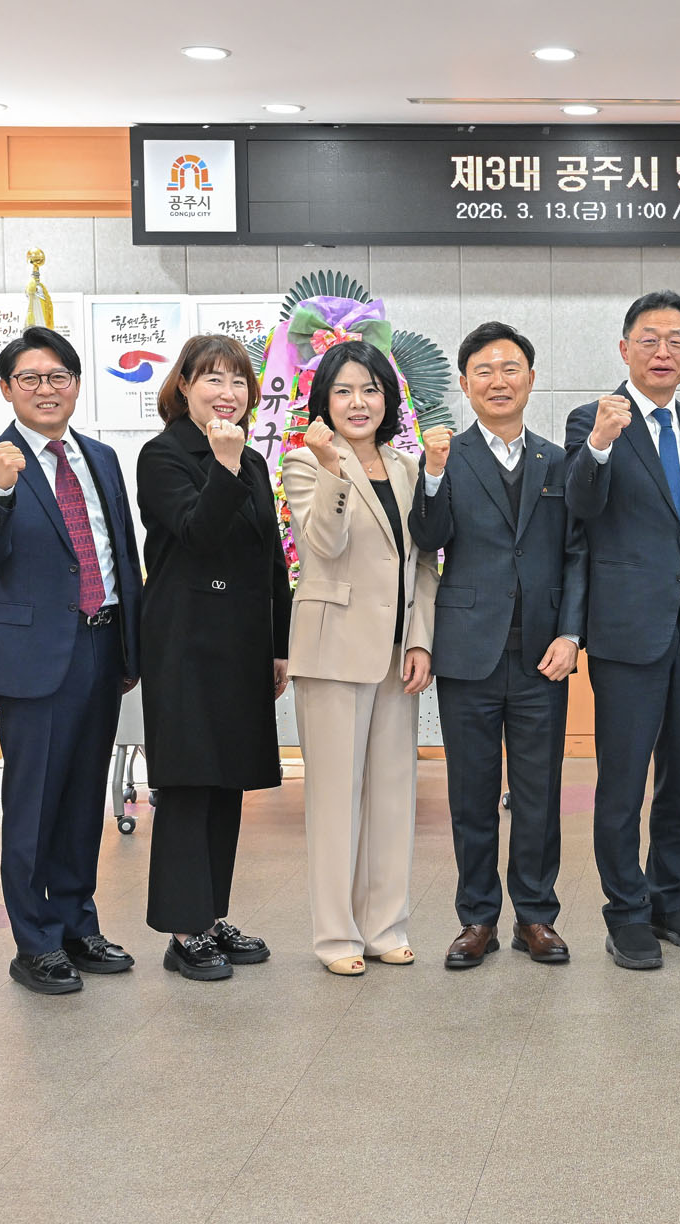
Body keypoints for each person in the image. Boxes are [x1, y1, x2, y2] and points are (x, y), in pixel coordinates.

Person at [0, 326, 145, 995]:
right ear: (8, 389)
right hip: (35, 658)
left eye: (58, 376)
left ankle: (76, 925)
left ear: (76, 385)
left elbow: (121, 551)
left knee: (83, 800)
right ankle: (34, 942)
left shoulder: (101, 457)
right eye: (30, 378)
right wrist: (1, 489)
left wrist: (133, 642)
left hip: (102, 643)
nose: (46, 389)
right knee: (34, 804)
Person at [564, 291, 680, 971]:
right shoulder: (593, 418)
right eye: (649, 339)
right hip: (626, 633)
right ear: (624, 349)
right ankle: (626, 913)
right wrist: (601, 444)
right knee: (623, 782)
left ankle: (669, 899)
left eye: (676, 341)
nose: (662, 352)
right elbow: (580, 508)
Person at [409, 322, 588, 971]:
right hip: (468, 652)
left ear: (531, 379)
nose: (498, 381)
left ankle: (536, 915)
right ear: (464, 384)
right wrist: (431, 473)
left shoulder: (557, 461)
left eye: (511, 368)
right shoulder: (446, 457)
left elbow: (576, 552)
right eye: (483, 371)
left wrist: (571, 633)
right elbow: (428, 537)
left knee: (539, 793)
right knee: (472, 794)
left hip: (543, 654)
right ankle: (477, 917)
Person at [135, 334, 291, 982]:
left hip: (241, 644)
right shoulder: (163, 455)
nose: (227, 393)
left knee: (226, 784)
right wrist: (224, 467)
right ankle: (183, 930)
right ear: (184, 387)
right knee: (189, 786)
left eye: (237, 382)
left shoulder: (249, 458)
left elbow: (270, 556)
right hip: (185, 642)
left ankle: (210, 913)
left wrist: (279, 646)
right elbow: (198, 534)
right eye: (212, 379)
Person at [282, 342, 439, 975]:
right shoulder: (303, 461)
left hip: (397, 654)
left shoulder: (407, 466)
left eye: (370, 389)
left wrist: (420, 639)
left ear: (388, 399)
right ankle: (337, 938)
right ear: (324, 399)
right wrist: (333, 469)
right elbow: (323, 542)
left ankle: (385, 926)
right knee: (335, 801)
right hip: (333, 651)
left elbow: (424, 562)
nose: (357, 402)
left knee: (394, 798)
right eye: (343, 390)